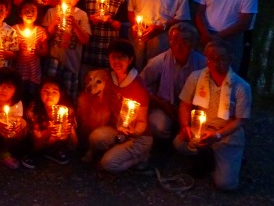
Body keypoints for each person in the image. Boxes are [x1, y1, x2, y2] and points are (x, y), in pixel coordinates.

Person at [173, 40, 251, 191]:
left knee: (226, 185)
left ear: (230, 58)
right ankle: (206, 155)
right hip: (201, 129)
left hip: (225, 134)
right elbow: (184, 104)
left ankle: (234, 157)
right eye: (210, 58)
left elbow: (240, 120)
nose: (215, 63)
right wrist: (185, 126)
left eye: (220, 58)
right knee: (179, 144)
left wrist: (217, 135)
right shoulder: (196, 77)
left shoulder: (241, 87)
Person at [87, 40, 152, 173]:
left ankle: (141, 156)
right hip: (117, 129)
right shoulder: (107, 78)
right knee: (95, 138)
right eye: (113, 57)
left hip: (138, 137)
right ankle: (115, 150)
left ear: (131, 59)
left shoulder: (138, 86)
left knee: (108, 164)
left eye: (122, 57)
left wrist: (134, 133)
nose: (117, 61)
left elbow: (142, 122)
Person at [139, 22, 207, 139]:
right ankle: (169, 139)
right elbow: (141, 84)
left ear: (193, 44)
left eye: (185, 41)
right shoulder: (159, 61)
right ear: (169, 42)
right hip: (167, 107)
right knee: (157, 125)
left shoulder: (202, 63)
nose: (179, 46)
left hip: (194, 109)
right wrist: (162, 104)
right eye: (175, 40)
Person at [43, 0, 91, 103]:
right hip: (54, 59)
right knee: (51, 91)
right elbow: (46, 35)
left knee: (69, 95)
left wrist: (75, 25)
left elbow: (85, 40)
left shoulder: (82, 15)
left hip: (72, 62)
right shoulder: (52, 12)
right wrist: (54, 23)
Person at [81, 0, 128, 74]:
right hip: (89, 47)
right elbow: (80, 19)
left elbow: (120, 26)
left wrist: (109, 21)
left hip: (108, 47)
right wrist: (90, 21)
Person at [22, 76, 77, 169]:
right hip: (39, 142)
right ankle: (35, 155)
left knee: (62, 135)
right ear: (40, 92)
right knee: (33, 147)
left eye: (54, 92)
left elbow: (74, 145)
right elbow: (36, 144)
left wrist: (70, 131)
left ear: (61, 94)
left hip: (57, 144)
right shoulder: (33, 109)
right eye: (46, 91)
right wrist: (48, 132)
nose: (50, 95)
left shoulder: (67, 111)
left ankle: (54, 152)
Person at [12, 0, 49, 100]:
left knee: (32, 99)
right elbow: (10, 51)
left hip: (34, 73)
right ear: (20, 13)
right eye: (26, 10)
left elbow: (46, 52)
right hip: (19, 72)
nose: (29, 13)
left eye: (33, 10)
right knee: (19, 97)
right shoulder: (14, 30)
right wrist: (18, 48)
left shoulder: (41, 31)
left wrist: (38, 50)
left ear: (37, 14)